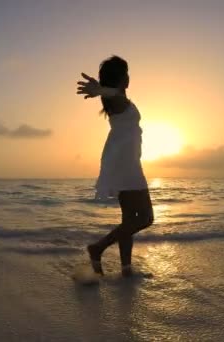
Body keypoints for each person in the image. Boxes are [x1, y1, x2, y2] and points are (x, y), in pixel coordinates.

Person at [76, 56, 154, 277]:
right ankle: (98, 247)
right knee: (146, 218)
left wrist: (103, 90)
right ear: (119, 79)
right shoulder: (118, 101)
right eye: (125, 74)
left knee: (129, 220)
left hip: (125, 163)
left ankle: (126, 268)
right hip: (126, 166)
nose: (129, 77)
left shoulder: (121, 102)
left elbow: (115, 95)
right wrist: (101, 90)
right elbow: (114, 94)